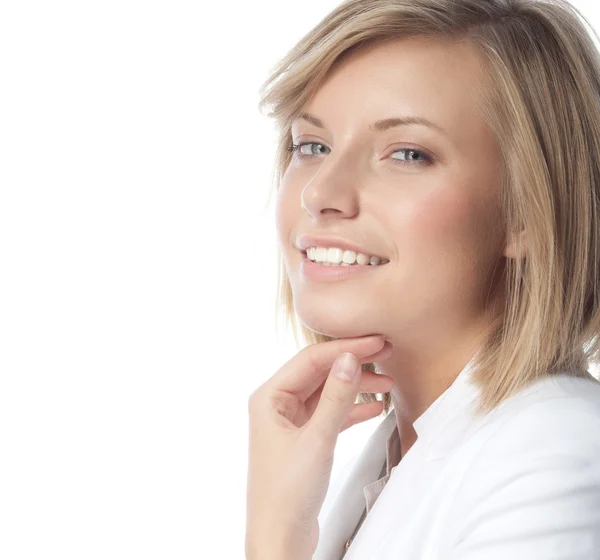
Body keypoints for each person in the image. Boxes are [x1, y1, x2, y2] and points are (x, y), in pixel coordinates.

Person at [245, 0, 600, 558]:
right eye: (312, 146)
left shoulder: (551, 452)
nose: (322, 193)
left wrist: (271, 544)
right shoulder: (394, 454)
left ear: (529, 211)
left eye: (407, 153)